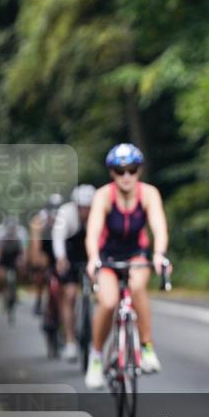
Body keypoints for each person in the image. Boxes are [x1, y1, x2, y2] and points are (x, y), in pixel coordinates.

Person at [84, 143, 170, 389]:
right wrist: (93, 258)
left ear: (139, 171)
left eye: (132, 170)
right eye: (120, 171)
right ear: (112, 173)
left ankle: (147, 348)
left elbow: (159, 228)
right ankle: (96, 358)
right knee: (108, 302)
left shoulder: (149, 194)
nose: (126, 176)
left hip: (136, 254)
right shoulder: (103, 196)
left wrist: (159, 255)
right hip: (108, 256)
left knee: (137, 287)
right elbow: (93, 233)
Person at [52, 184, 96, 362]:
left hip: (91, 254)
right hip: (71, 254)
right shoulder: (66, 213)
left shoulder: (98, 213)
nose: (85, 211)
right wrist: (61, 258)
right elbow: (58, 238)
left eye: (88, 207)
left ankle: (94, 336)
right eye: (82, 207)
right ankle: (70, 340)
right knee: (69, 296)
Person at [28, 194, 64, 315]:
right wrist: (38, 258)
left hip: (60, 245)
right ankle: (38, 299)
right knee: (40, 272)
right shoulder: (39, 220)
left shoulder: (67, 217)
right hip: (45, 246)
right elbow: (35, 244)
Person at [0, 215, 28, 297]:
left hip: (16, 252)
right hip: (4, 253)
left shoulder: (22, 232)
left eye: (13, 229)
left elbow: (24, 251)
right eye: (9, 229)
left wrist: (24, 263)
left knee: (21, 267)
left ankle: (17, 288)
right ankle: (2, 291)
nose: (11, 231)